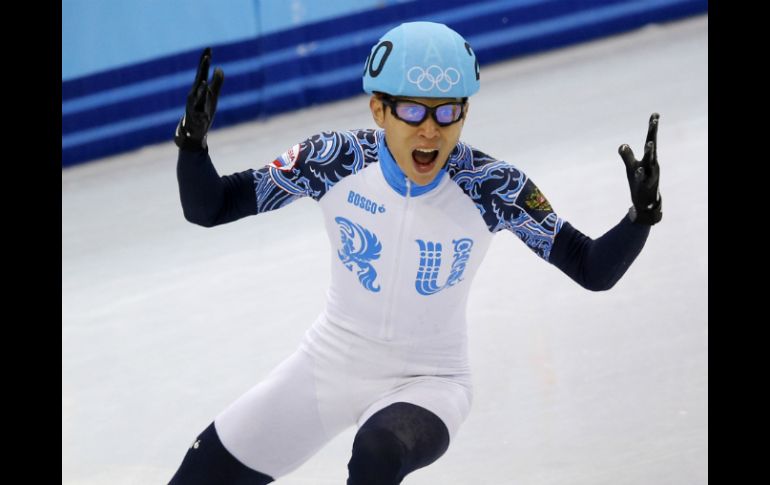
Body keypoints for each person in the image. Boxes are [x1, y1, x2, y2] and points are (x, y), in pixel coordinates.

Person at [168, 21, 662, 485]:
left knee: (377, 454)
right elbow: (210, 207)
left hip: (430, 382)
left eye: (448, 111)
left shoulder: (493, 186)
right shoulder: (334, 160)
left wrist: (639, 219)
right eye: (412, 110)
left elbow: (592, 267)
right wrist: (192, 147)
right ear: (378, 110)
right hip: (327, 366)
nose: (431, 130)